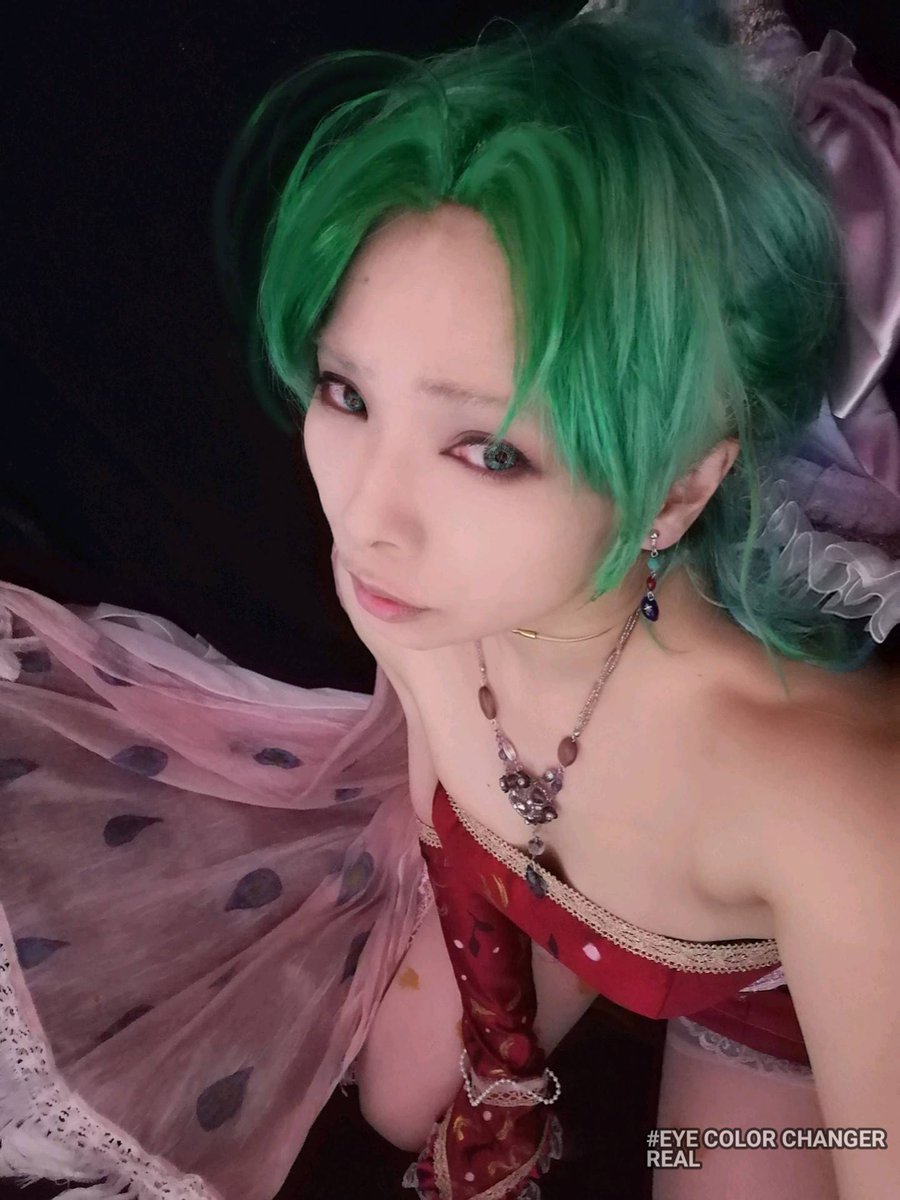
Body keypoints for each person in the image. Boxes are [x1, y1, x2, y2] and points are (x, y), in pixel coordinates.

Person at [0, 3, 898, 1199]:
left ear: (678, 489)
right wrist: (498, 1043)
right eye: (347, 393)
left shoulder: (834, 810)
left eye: (488, 452)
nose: (368, 518)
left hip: (760, 993)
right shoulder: (413, 587)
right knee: (396, 1100)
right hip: (533, 897)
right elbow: (448, 793)